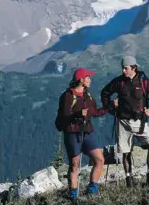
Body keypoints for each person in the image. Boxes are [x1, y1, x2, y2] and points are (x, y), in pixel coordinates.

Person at [101, 56, 149, 187]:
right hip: (122, 121)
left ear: (134, 68)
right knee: (126, 151)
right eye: (122, 68)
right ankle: (129, 180)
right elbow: (104, 93)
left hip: (140, 121)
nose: (123, 71)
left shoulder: (144, 82)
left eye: (126, 68)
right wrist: (111, 106)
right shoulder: (118, 82)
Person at [59, 68, 108, 200]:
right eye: (88, 77)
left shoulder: (88, 95)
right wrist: (78, 114)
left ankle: (92, 190)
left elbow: (95, 113)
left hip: (87, 131)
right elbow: (64, 116)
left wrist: (109, 107)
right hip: (72, 133)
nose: (90, 79)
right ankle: (73, 195)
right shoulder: (68, 96)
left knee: (99, 159)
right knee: (75, 164)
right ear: (81, 80)